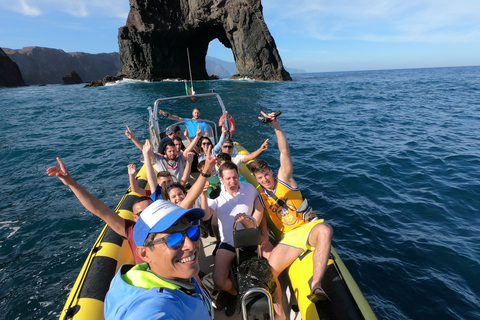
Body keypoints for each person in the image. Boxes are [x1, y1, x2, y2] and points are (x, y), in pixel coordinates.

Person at [250, 111, 334, 319]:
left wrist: (276, 127)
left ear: (271, 172)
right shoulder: (261, 196)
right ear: (257, 179)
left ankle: (315, 285)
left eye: (267, 175)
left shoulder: (284, 178)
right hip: (289, 239)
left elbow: (284, 152)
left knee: (325, 230)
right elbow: (256, 217)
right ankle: (281, 316)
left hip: (308, 226)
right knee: (270, 273)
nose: (265, 179)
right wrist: (254, 231)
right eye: (260, 178)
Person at [104, 200, 214, 320]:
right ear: (145, 254)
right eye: (173, 239)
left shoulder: (176, 275)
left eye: (193, 232)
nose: (190, 245)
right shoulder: (155, 307)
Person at [46, 157, 153, 264]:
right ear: (135, 218)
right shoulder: (131, 231)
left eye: (152, 209)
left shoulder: (169, 225)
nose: (148, 214)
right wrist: (71, 183)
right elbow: (100, 210)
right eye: (142, 213)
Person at [201, 161, 269, 316]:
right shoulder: (217, 194)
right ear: (222, 180)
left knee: (265, 269)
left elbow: (260, 213)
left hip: (250, 240)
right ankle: (233, 293)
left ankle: (265, 297)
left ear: (239, 177)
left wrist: (263, 233)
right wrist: (202, 195)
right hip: (228, 243)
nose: (232, 181)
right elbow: (205, 215)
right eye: (228, 179)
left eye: (235, 177)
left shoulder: (250, 190)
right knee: (219, 280)